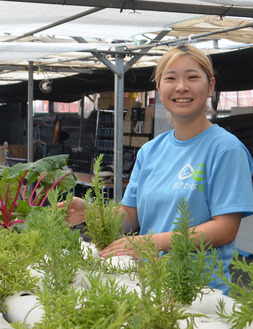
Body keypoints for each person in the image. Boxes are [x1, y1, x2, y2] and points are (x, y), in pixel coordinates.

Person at [60, 44, 253, 295]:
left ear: (211, 86)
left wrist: (150, 243)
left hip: (199, 291)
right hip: (149, 283)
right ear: (159, 87)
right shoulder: (150, 150)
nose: (181, 87)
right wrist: (92, 211)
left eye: (192, 77)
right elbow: (130, 216)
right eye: (170, 78)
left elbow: (225, 229)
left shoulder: (226, 150)